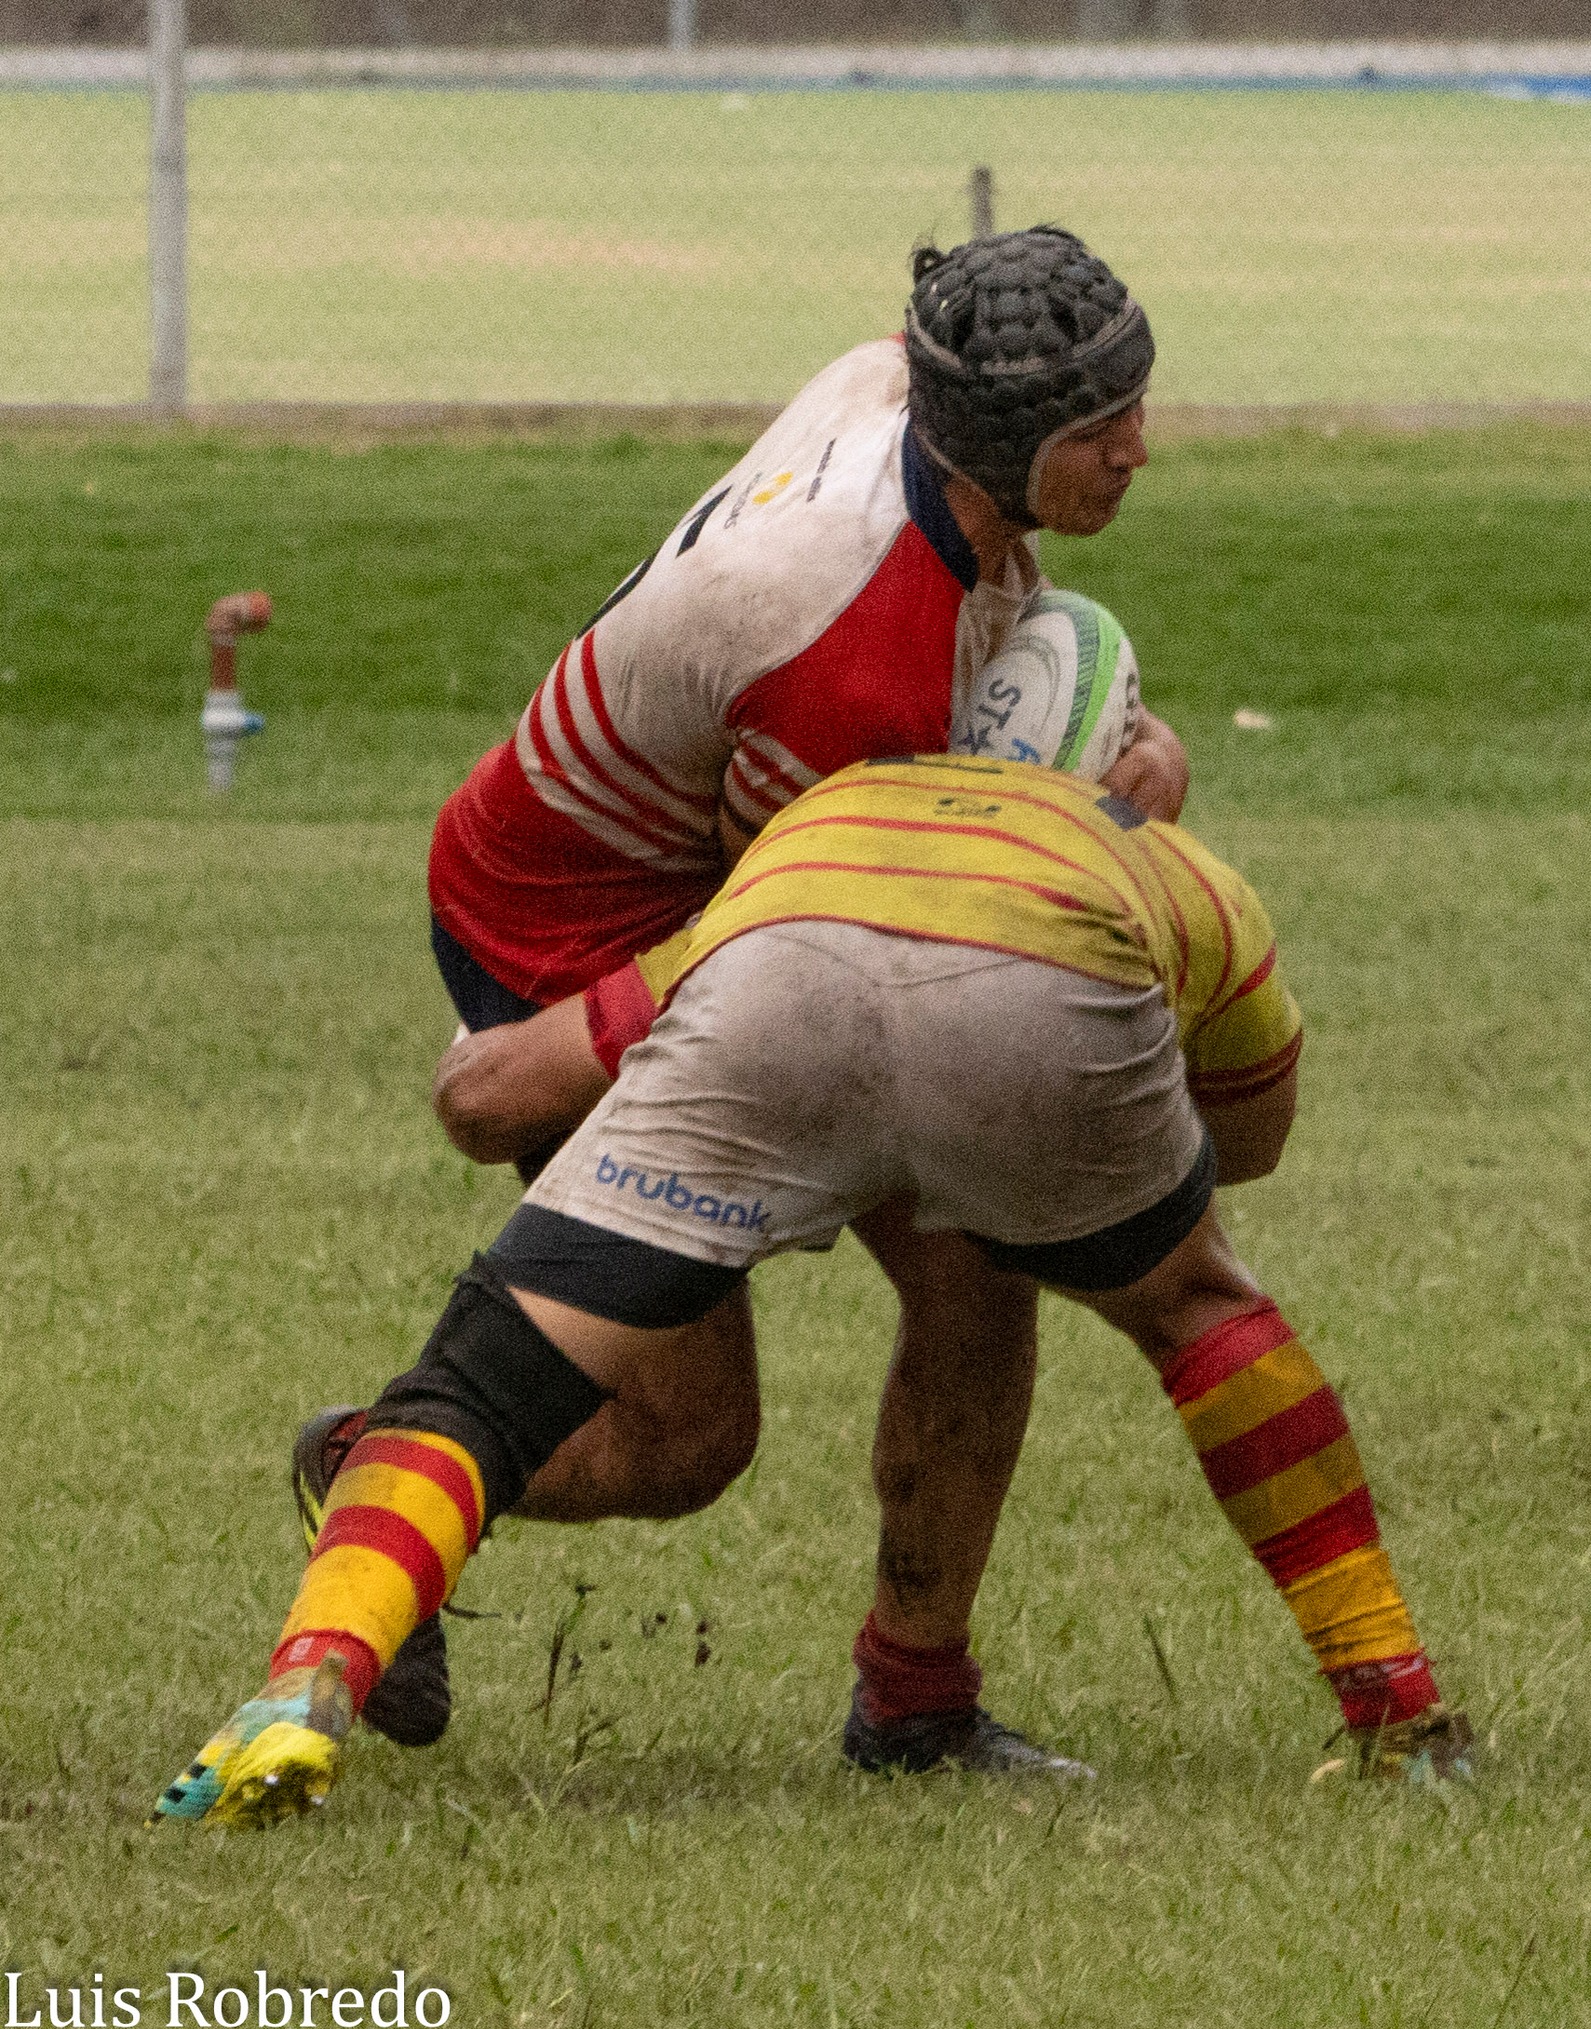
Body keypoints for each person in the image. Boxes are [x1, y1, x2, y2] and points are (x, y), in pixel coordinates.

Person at [155, 754, 1470, 1829]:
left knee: (483, 1384)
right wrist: (1041, 1173)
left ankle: (302, 1686)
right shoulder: (1182, 871)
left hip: (774, 979)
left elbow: (499, 1090)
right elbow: (1251, 1141)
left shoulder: (821, 820)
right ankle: (1399, 1715)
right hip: (1052, 993)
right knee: (1202, 1312)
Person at [308, 226, 1190, 1757]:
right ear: (996, 444)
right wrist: (1104, 824)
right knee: (687, 1438)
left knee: (977, 1274)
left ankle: (916, 1704)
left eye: (1135, 402)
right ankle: (375, 1466)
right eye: (1100, 425)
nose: (1139, 449)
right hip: (575, 923)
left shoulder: (898, 378)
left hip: (707, 848)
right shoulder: (856, 668)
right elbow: (812, 934)